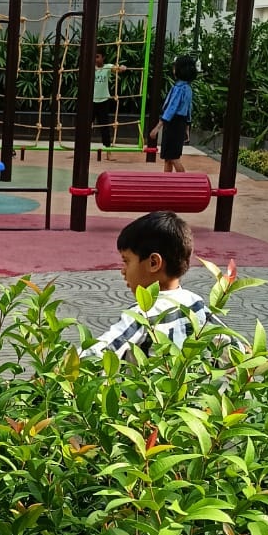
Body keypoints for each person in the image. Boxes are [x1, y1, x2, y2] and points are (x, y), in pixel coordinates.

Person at [83, 210, 213, 361]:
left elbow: (99, 353)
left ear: (153, 263)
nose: (123, 271)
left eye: (126, 261)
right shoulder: (196, 304)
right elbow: (231, 347)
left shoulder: (142, 315)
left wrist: (67, 363)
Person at [151, 54, 197, 173]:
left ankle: (183, 180)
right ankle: (167, 181)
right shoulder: (188, 88)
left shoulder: (179, 88)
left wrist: (158, 127)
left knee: (173, 158)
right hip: (180, 123)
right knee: (168, 158)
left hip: (173, 124)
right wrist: (187, 126)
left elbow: (171, 108)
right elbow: (188, 109)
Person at [93, 47, 122, 163]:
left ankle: (108, 152)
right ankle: (80, 149)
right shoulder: (91, 68)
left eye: (98, 57)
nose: (96, 59)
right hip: (91, 101)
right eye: (95, 57)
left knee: (105, 127)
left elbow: (116, 69)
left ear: (103, 57)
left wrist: (121, 68)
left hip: (104, 101)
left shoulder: (107, 67)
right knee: (85, 126)